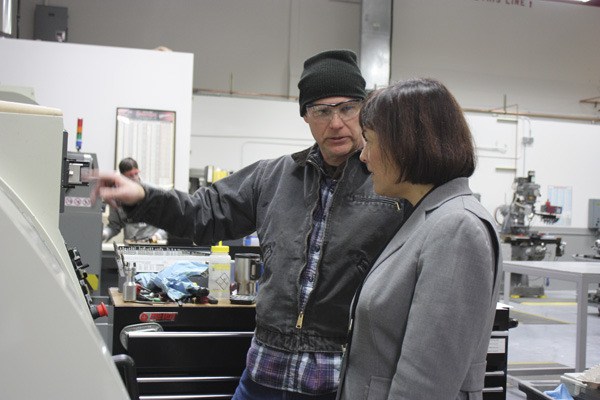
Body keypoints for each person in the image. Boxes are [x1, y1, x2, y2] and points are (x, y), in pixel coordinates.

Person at [93, 50, 410, 399]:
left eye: (347, 108)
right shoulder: (272, 178)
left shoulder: (391, 183)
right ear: (305, 116)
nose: (336, 123)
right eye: (321, 110)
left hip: (339, 382)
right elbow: (202, 212)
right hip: (265, 374)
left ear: (364, 109)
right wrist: (141, 196)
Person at [336, 78, 502, 400]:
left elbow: (425, 386)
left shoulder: (456, 228)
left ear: (405, 144)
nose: (363, 157)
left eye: (369, 141)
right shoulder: (425, 217)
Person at [102, 157, 167, 243]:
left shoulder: (156, 192)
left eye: (135, 174)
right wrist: (104, 234)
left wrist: (156, 237)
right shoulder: (117, 197)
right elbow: (115, 225)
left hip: (153, 245)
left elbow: (169, 223)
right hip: (130, 247)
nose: (134, 179)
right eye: (129, 177)